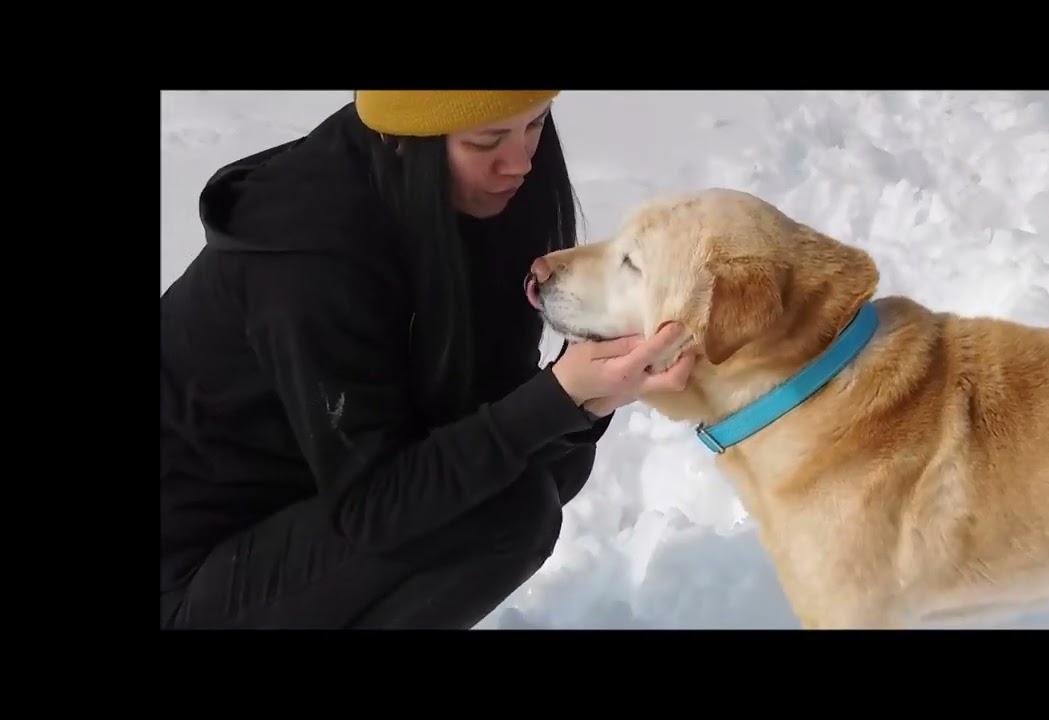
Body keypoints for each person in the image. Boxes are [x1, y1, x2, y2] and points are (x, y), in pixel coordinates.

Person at [159, 90, 696, 629]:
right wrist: (555, 399)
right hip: (187, 567)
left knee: (550, 452)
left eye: (535, 124)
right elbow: (373, 504)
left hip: (302, 501)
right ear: (401, 140)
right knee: (505, 512)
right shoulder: (310, 263)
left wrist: (589, 395)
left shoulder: (478, 186)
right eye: (486, 141)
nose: (521, 162)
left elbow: (484, 401)